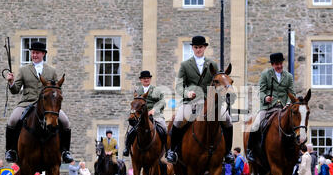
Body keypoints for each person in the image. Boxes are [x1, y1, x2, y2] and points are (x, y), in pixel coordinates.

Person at [166, 36, 234, 164]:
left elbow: (218, 81)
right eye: (196, 47)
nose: (198, 49)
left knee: (228, 120)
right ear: (192, 48)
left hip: (211, 102)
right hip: (192, 102)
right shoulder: (185, 65)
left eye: (201, 47)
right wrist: (187, 92)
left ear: (205, 48)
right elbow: (179, 85)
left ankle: (228, 152)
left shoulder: (212, 64)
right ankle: (173, 151)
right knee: (178, 119)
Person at [5, 41, 73, 164]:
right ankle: (11, 150)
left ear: (43, 54)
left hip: (47, 105)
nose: (34, 55)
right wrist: (11, 82)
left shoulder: (51, 71)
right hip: (27, 102)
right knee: (12, 120)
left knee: (66, 122)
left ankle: (65, 151)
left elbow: (57, 89)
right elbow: (15, 90)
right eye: (33, 53)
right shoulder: (24, 70)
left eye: (37, 53)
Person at [246, 52, 294, 163]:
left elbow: (291, 93)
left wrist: (288, 103)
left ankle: (295, 152)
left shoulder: (289, 76)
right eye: (277, 64)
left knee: (295, 124)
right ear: (272, 64)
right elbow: (261, 91)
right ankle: (250, 150)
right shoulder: (265, 74)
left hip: (284, 107)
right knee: (256, 124)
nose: (279, 66)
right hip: (268, 107)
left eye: (281, 63)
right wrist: (266, 98)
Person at [123, 70, 167, 157]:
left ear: (150, 79)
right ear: (141, 80)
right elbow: (136, 104)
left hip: (155, 114)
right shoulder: (138, 91)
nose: (146, 80)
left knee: (164, 128)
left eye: (147, 78)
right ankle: (127, 148)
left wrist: (154, 109)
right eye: (144, 78)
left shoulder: (157, 90)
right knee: (131, 131)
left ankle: (168, 150)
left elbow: (163, 102)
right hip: (141, 115)